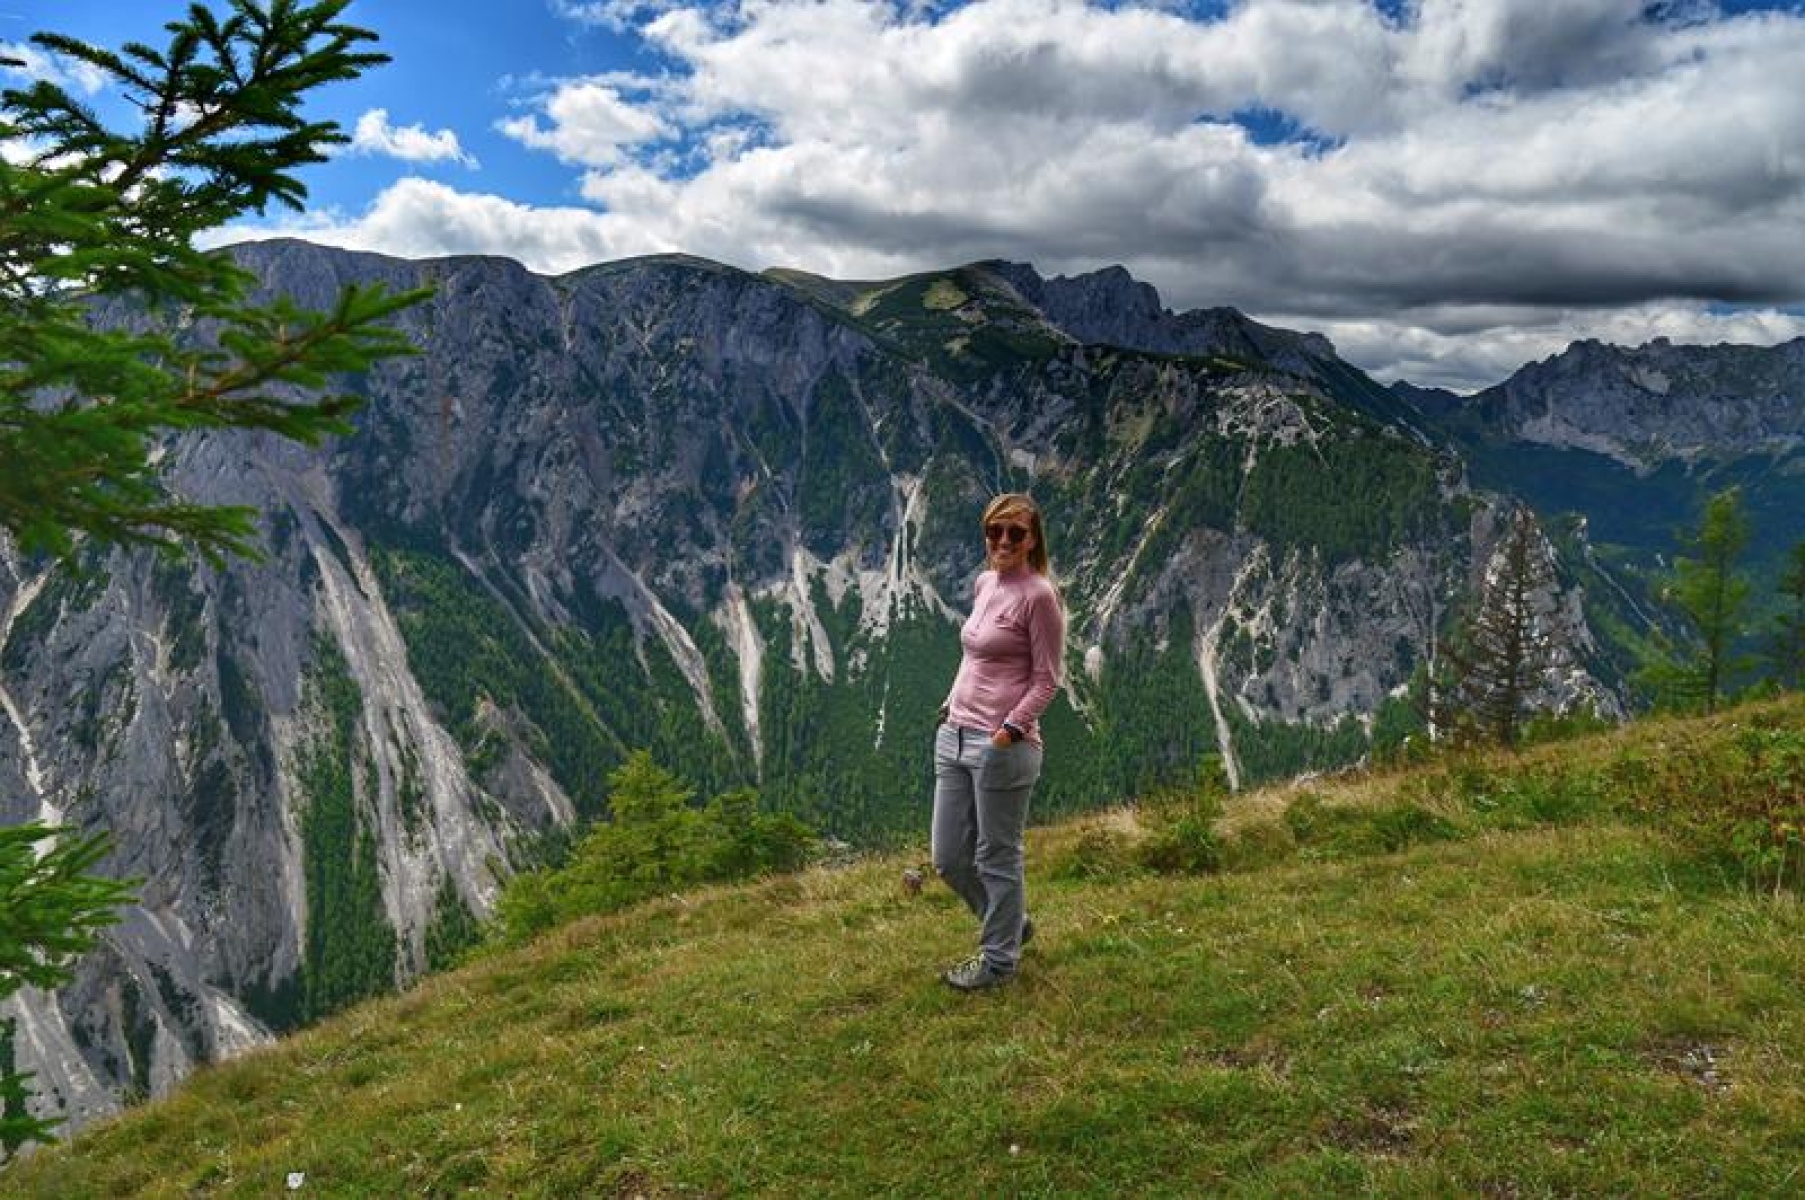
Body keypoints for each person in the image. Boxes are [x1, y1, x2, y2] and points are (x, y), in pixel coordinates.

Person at [931, 492, 1065, 991]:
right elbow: (974, 655)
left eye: (1015, 532)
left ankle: (998, 963)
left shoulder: (1040, 596)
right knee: (949, 858)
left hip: (1002, 745)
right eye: (994, 531)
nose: (1003, 540)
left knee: (997, 856)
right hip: (954, 735)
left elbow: (1047, 680)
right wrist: (951, 703)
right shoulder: (985, 583)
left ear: (1032, 540)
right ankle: (1010, 923)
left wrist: (1008, 732)